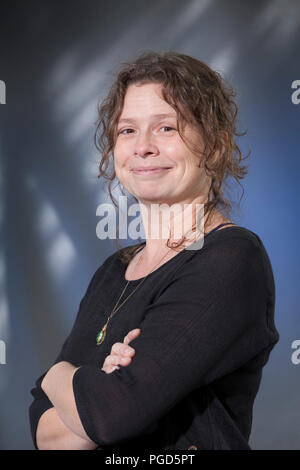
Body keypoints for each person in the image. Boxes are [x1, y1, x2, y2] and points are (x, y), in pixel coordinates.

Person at [29, 50, 280, 450]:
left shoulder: (231, 259)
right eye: (128, 130)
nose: (143, 147)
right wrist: (92, 395)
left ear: (214, 145)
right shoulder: (114, 270)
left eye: (166, 127)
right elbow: (46, 435)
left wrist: (56, 374)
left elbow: (112, 415)